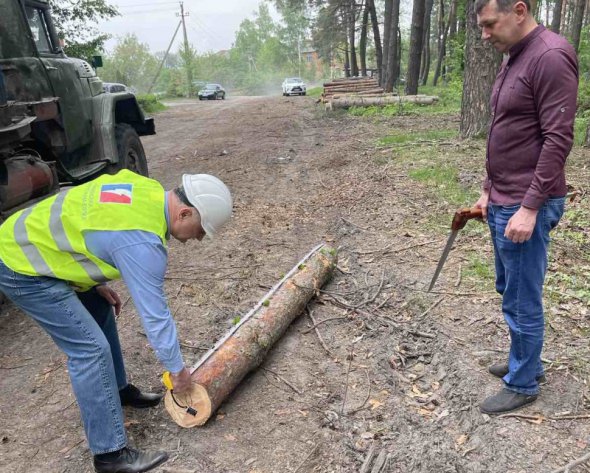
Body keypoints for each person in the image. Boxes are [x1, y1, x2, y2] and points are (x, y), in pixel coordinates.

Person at [0, 170, 232, 472]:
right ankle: (110, 456)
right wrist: (177, 370)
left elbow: (87, 222)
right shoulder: (143, 243)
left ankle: (118, 390)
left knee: (99, 303)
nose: (198, 239)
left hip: (30, 242)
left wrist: (93, 282)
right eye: (200, 230)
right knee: (90, 350)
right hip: (20, 266)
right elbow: (154, 315)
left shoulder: (146, 190)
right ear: (185, 212)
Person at [474, 0, 578, 414]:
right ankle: (526, 361)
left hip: (525, 202)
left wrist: (530, 208)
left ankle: (524, 383)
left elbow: (558, 140)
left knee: (521, 297)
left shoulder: (550, 56)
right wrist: (487, 188)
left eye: (489, 24)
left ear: (519, 10)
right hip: (503, 196)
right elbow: (505, 128)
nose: (484, 35)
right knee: (509, 289)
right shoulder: (515, 57)